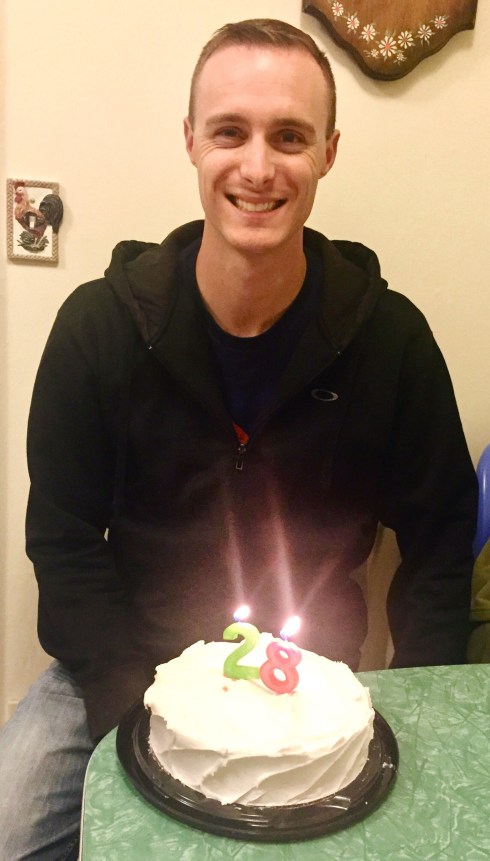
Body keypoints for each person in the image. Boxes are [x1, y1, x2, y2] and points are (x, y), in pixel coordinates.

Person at [0, 17, 478, 861]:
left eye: (289, 136)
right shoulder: (98, 329)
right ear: (190, 140)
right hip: (121, 666)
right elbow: (63, 542)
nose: (258, 167)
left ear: (328, 151)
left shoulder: (392, 340)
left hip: (312, 691)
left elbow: (441, 538)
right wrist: (131, 707)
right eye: (230, 132)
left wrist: (412, 699)